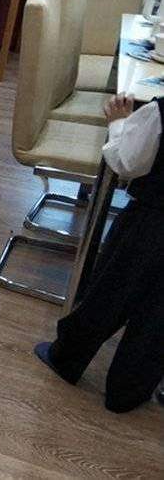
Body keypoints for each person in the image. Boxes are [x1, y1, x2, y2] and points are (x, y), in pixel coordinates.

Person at [34, 93, 164, 413]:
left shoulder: (157, 112)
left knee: (110, 292)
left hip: (151, 220)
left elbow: (128, 163)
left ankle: (67, 357)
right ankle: (127, 392)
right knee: (157, 319)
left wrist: (118, 124)